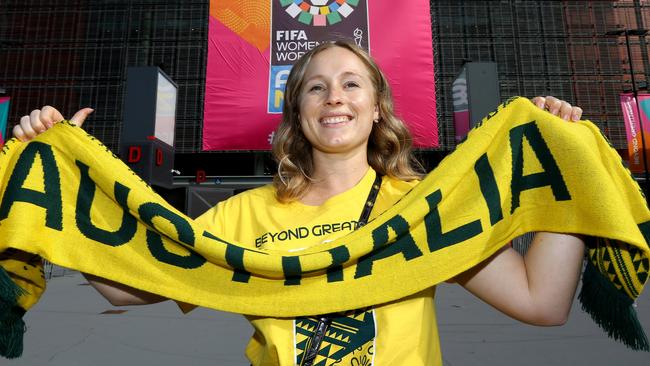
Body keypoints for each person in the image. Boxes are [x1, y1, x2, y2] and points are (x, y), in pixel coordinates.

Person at [13, 41, 585, 366]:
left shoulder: (422, 207)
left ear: (378, 107)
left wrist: (570, 174)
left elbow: (542, 301)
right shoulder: (244, 215)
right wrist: (63, 184)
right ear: (297, 112)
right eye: (316, 86)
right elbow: (125, 285)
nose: (334, 95)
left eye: (351, 83)